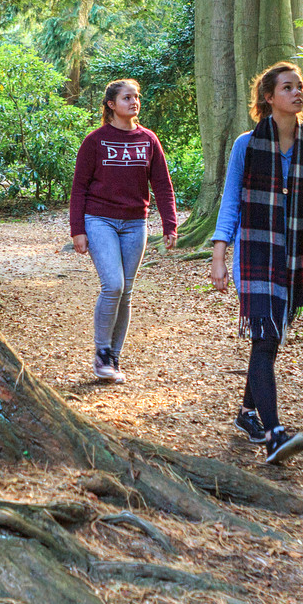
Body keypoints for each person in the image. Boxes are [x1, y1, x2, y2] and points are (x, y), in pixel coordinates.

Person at [209, 61, 303, 463]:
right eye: (287, 87)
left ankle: (246, 414)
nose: (297, 92)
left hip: (298, 255)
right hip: (256, 252)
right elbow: (231, 201)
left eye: (299, 86)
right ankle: (273, 434)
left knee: (268, 342)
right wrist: (220, 254)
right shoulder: (246, 145)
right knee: (266, 337)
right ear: (268, 98)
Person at [70, 79, 178, 382]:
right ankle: (101, 353)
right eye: (127, 97)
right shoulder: (96, 141)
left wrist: (169, 224)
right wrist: (77, 229)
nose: (134, 102)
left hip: (135, 223)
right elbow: (79, 187)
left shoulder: (148, 140)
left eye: (136, 97)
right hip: (99, 219)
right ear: (111, 104)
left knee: (126, 292)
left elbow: (162, 186)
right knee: (113, 286)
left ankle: (114, 358)